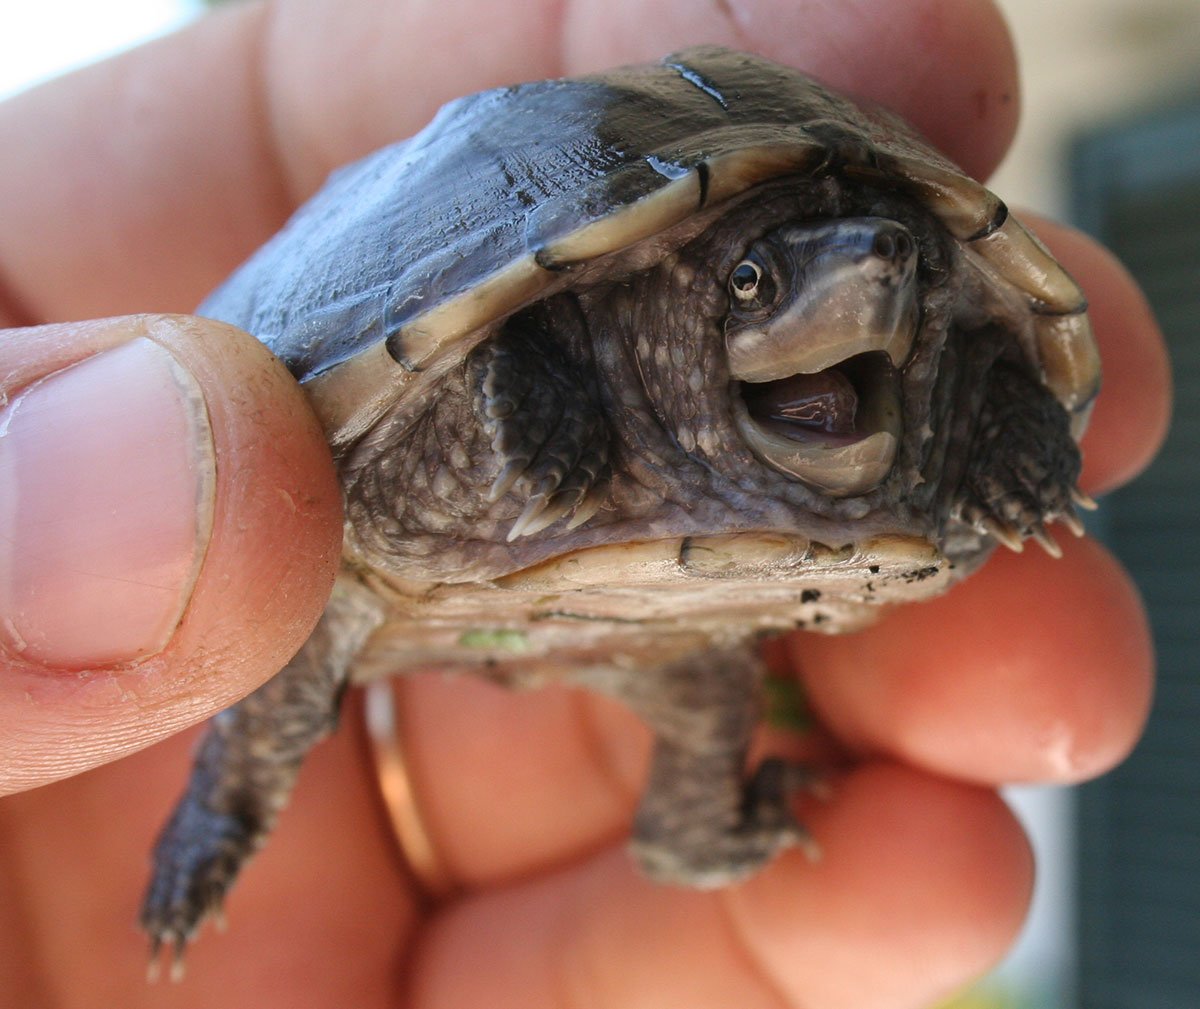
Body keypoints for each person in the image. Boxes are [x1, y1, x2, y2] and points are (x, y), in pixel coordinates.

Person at [0, 1, 1171, 1005]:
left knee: (716, 701)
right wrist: (543, 414)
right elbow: (442, 383)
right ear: (705, 304)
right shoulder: (566, 341)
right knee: (304, 614)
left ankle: (693, 835)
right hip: (389, 533)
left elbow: (988, 360)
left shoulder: (909, 354)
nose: (866, 288)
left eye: (894, 278)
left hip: (677, 627)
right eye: (762, 284)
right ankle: (225, 812)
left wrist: (1009, 438)